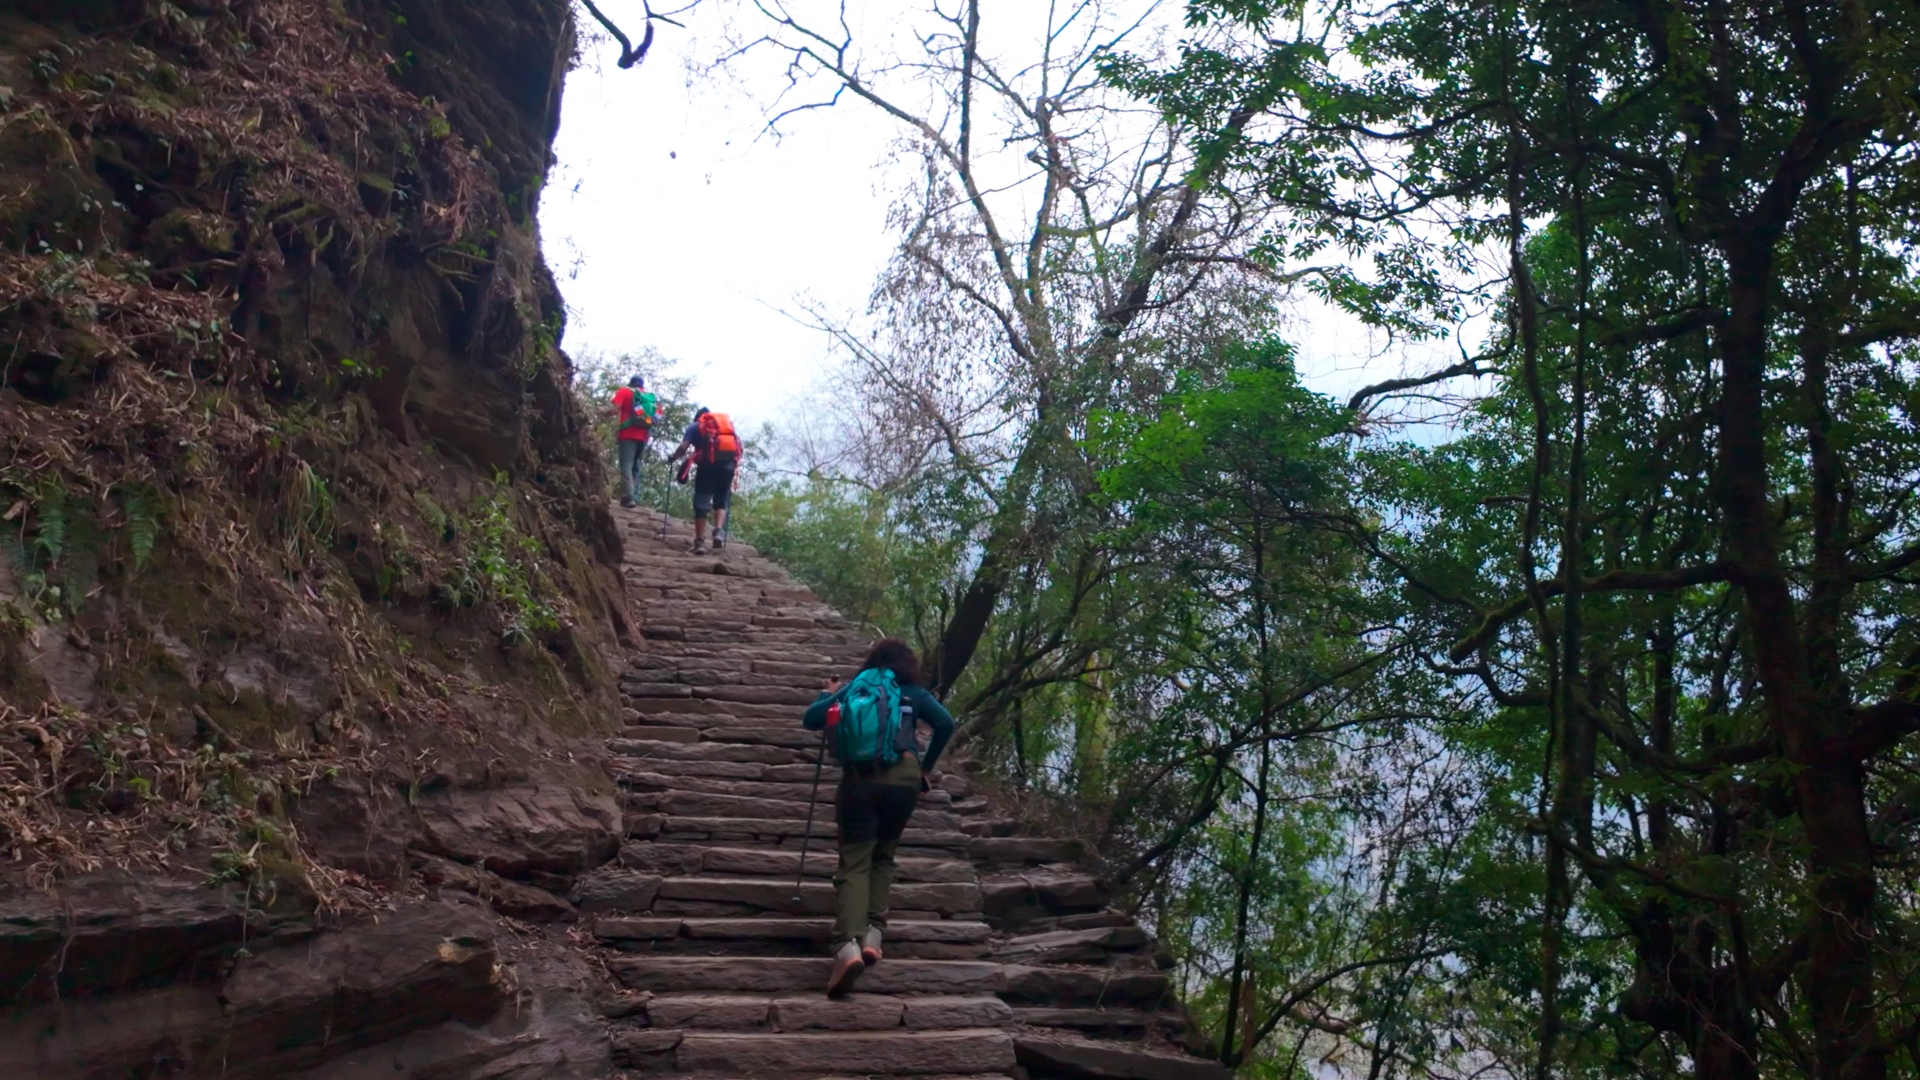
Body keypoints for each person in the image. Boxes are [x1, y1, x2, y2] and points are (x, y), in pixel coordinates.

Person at [801, 637, 954, 997]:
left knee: (855, 863)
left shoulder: (859, 687)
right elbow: (946, 724)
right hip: (904, 779)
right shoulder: (914, 692)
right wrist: (924, 769)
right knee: (884, 856)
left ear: (874, 660)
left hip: (860, 779)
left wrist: (831, 694)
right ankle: (873, 935)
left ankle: (846, 948)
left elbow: (810, 719)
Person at [663, 406, 742, 554]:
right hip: (728, 468)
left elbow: (684, 446)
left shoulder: (694, 427)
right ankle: (718, 531)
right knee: (721, 501)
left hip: (707, 467)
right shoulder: (725, 428)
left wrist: (673, 458)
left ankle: (699, 543)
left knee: (701, 503)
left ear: (697, 417)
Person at [609, 375, 658, 508]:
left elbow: (614, 410)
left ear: (630, 384)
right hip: (643, 437)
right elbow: (656, 417)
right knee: (635, 466)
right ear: (642, 386)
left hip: (627, 434)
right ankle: (634, 496)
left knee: (626, 465)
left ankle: (628, 497)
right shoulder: (649, 397)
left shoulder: (624, 391)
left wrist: (600, 411)